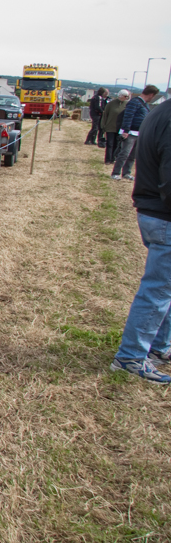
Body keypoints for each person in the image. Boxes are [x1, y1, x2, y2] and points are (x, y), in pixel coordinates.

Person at [110, 89, 171, 383]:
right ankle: (132, 356)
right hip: (163, 214)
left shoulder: (159, 111)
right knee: (159, 290)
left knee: (165, 288)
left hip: (154, 209)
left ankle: (158, 347)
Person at [112, 85, 159, 180]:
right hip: (130, 133)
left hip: (139, 133)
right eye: (153, 96)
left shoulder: (144, 104)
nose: (153, 98)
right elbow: (128, 117)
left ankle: (126, 173)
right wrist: (125, 131)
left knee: (132, 155)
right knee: (124, 153)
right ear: (151, 94)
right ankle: (115, 173)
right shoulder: (134, 102)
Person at [101, 89, 130, 165]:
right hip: (110, 127)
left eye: (127, 96)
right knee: (109, 144)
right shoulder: (111, 104)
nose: (126, 98)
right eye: (125, 96)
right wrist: (103, 126)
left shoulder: (127, 105)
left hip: (120, 128)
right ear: (120, 95)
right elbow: (105, 115)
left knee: (117, 144)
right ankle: (108, 159)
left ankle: (113, 158)